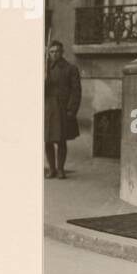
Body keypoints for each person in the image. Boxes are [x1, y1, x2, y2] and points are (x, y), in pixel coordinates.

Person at [44, 40, 81, 179]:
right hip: (47, 108)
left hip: (62, 108)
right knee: (47, 140)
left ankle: (60, 169)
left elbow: (76, 91)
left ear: (62, 52)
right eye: (52, 52)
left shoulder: (70, 68)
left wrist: (71, 109)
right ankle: (51, 169)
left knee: (61, 140)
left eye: (57, 51)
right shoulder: (44, 68)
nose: (54, 54)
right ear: (49, 53)